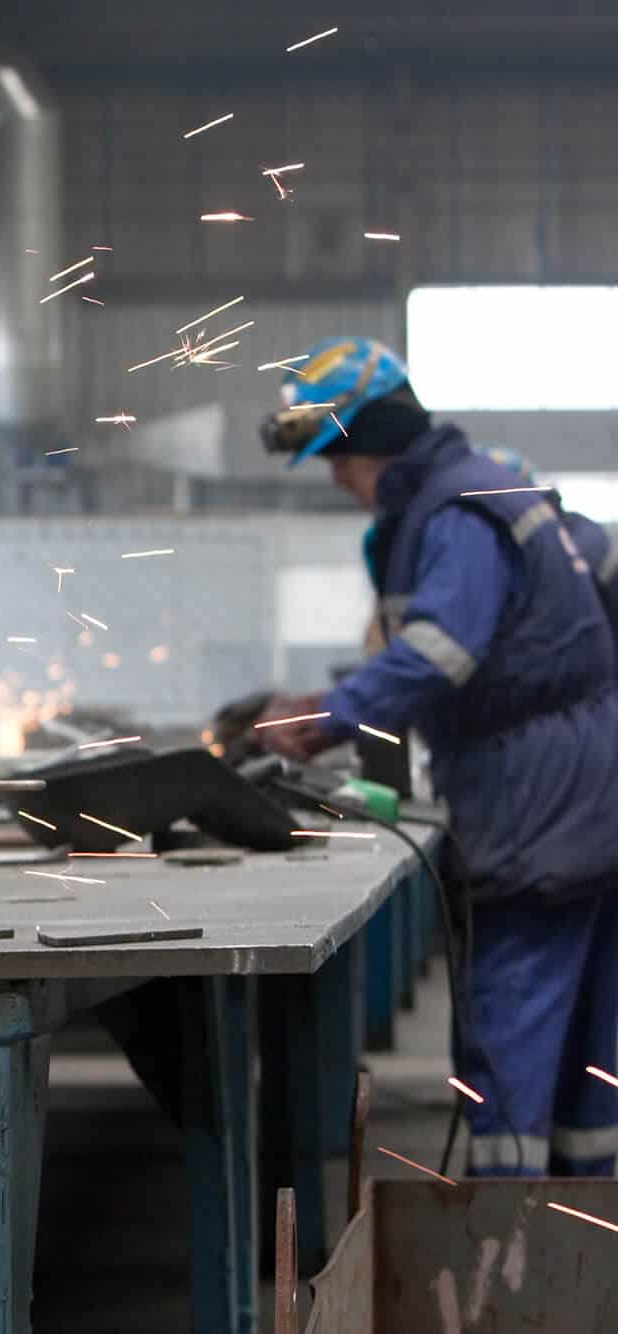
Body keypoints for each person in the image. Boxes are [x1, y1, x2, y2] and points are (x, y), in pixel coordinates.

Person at [254, 336, 618, 1177]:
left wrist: (331, 715)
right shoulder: (486, 486)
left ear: (367, 437)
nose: (337, 479)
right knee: (589, 1052)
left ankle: (501, 1252)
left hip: (537, 810)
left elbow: (443, 651)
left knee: (512, 1026)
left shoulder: (453, 509)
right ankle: (584, 1250)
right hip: (584, 791)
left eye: (336, 459)